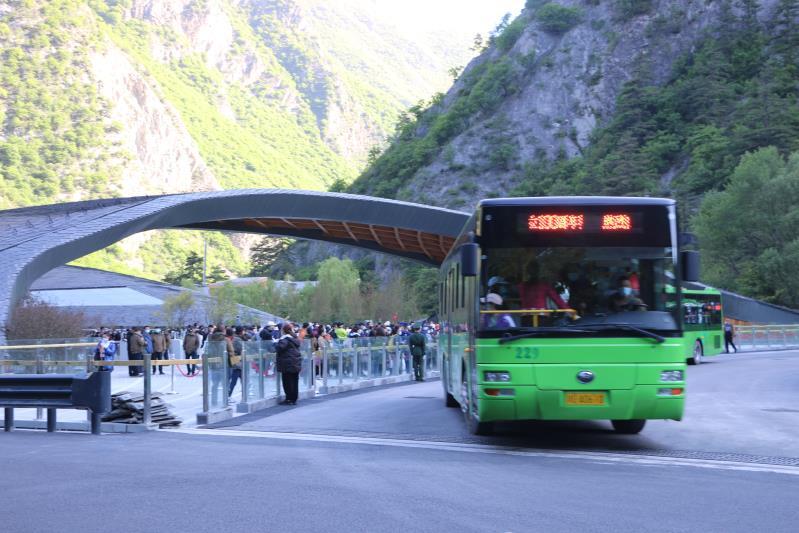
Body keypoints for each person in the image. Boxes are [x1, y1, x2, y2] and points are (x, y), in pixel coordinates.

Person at [276, 322, 302, 405]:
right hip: (295, 362)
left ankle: (289, 399)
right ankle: (294, 398)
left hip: (287, 363)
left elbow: (280, 348)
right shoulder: (294, 338)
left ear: (283, 331)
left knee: (287, 381)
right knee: (294, 381)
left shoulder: (285, 339)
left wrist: (276, 343)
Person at [228, 326, 245, 401]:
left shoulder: (236, 338)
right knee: (234, 380)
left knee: (242, 379)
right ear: (241, 331)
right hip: (237, 361)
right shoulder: (237, 340)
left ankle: (244, 395)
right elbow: (242, 349)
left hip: (237, 361)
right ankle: (228, 396)